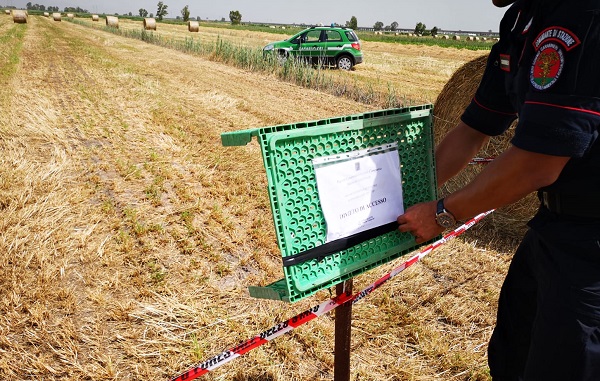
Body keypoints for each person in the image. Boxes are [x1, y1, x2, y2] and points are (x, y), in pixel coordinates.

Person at [396, 0, 600, 379]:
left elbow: (537, 162)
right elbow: (475, 128)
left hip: (591, 244)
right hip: (553, 225)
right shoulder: (522, 20)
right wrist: (406, 195)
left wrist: (442, 213)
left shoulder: (582, 15)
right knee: (511, 354)